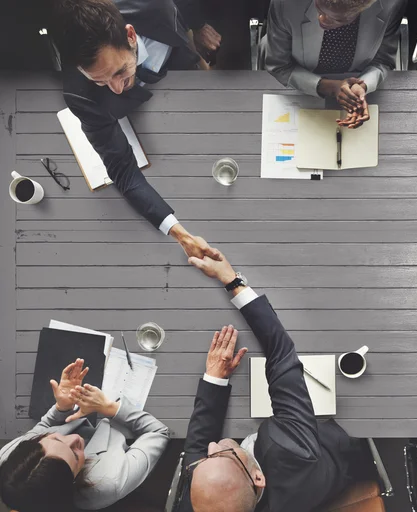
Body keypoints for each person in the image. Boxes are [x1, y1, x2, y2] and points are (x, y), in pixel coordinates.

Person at [176, 252, 376, 512]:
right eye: (219, 454)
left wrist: (214, 378)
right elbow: (281, 355)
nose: (211, 446)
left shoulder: (203, 504)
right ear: (258, 479)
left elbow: (195, 452)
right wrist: (232, 281)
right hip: (330, 458)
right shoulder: (291, 450)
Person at [51, 0, 222, 261]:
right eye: (99, 80)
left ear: (130, 35)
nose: (116, 89)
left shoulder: (158, 6)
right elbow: (124, 172)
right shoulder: (79, 96)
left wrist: (198, 27)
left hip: (180, 60)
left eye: (120, 72)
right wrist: (181, 235)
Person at [0, 358, 169, 511]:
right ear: (72, 481)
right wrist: (111, 409)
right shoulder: (110, 482)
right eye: (74, 456)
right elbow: (158, 431)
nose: (75, 438)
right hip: (122, 424)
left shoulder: (9, 458)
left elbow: (44, 426)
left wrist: (62, 408)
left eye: (54, 438)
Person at [265, 0, 407, 128]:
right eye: (318, 7)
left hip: (358, 74)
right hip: (299, 81)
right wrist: (331, 87)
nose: (321, 19)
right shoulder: (284, 3)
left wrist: (363, 85)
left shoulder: (392, 4)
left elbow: (383, 60)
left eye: (338, 19)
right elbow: (279, 65)